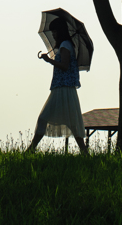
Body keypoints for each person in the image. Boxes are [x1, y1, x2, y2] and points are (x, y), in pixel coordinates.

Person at [27, 17, 88, 155]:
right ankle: (84, 152)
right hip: (63, 87)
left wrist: (49, 61)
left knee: (44, 117)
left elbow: (65, 66)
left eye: (55, 31)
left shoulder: (65, 45)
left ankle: (31, 149)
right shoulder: (65, 45)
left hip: (63, 88)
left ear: (60, 31)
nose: (53, 34)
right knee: (71, 122)